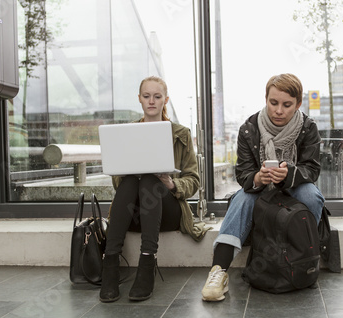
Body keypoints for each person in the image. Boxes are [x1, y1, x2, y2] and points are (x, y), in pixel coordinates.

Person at [201, 73, 325, 302]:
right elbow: (243, 174)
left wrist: (289, 175)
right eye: (273, 103)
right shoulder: (249, 128)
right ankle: (218, 272)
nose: (279, 110)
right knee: (242, 198)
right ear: (265, 99)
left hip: (293, 189)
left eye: (287, 105)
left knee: (311, 194)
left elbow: (312, 169)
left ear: (298, 104)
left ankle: (307, 257)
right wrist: (258, 177)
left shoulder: (308, 127)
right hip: (261, 191)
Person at [100, 76, 206, 302]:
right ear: (139, 99)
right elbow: (118, 185)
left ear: (165, 100)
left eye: (157, 97)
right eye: (146, 96)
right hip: (135, 213)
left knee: (150, 179)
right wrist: (129, 171)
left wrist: (171, 183)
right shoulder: (127, 133)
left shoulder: (181, 134)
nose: (151, 101)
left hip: (166, 211)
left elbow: (194, 181)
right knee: (130, 181)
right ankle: (110, 262)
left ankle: (147, 261)